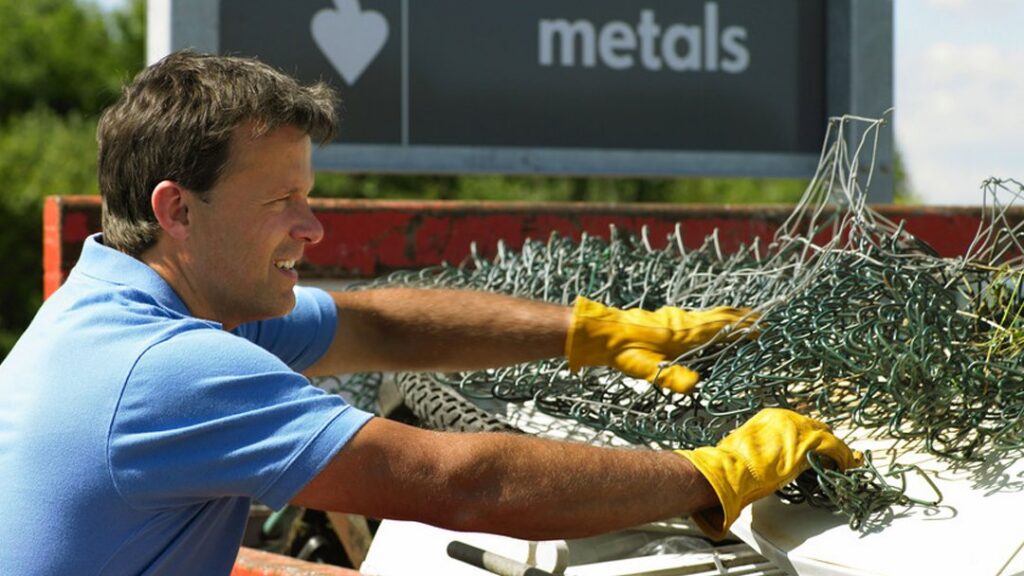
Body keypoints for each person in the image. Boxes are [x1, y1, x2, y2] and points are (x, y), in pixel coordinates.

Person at [0, 51, 860, 575]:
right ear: (179, 210)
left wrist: (592, 335)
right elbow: (460, 481)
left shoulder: (110, 309)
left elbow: (374, 325)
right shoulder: (169, 371)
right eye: (283, 201)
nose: (313, 225)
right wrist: (709, 476)